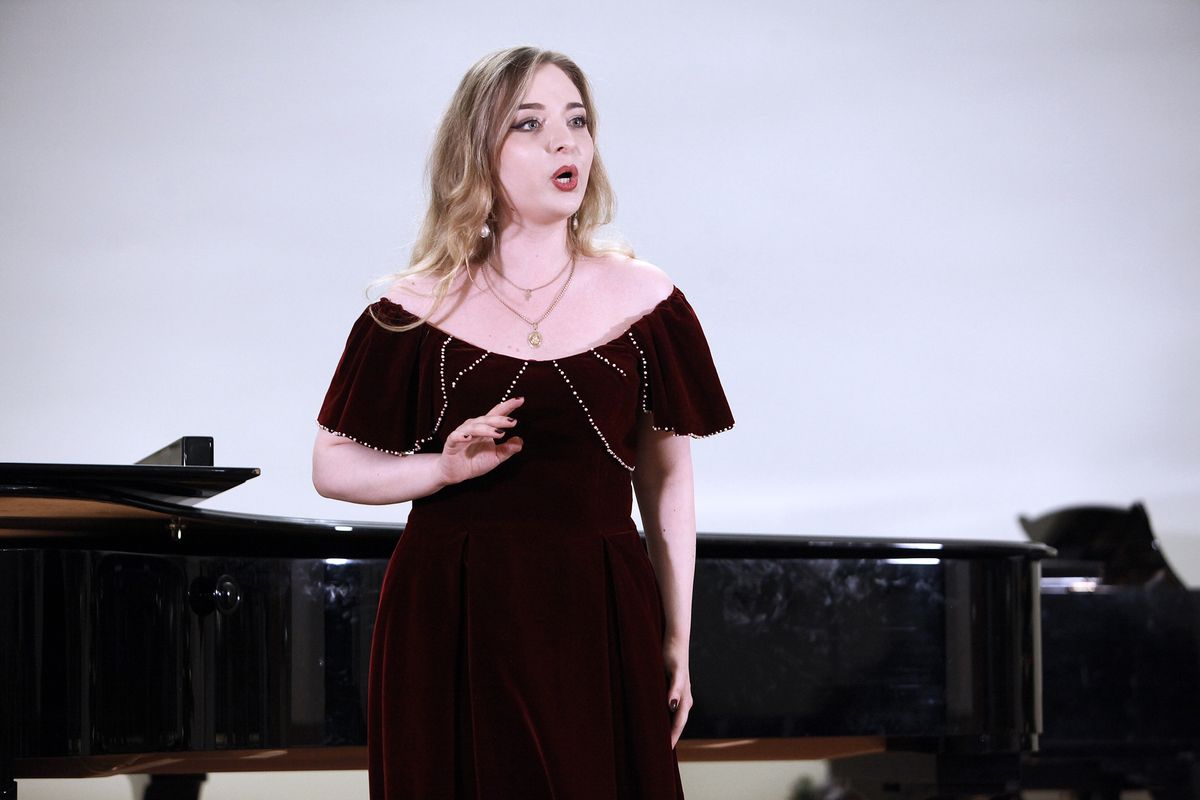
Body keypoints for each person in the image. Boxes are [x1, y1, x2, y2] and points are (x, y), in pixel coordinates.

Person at [312, 46, 734, 799]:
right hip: (451, 612)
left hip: (599, 610)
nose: (564, 143)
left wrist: (677, 635)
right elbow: (332, 464)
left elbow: (667, 478)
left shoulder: (647, 301)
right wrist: (440, 468)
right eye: (530, 124)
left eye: (577, 121)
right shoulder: (412, 307)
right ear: (479, 150)